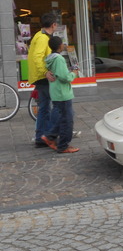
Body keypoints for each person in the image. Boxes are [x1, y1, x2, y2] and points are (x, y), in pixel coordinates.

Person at [41, 36, 80, 153]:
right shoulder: (59, 59)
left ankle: (50, 136)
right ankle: (63, 146)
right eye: (63, 44)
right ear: (59, 46)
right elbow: (64, 77)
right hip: (62, 93)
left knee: (62, 118)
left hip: (56, 93)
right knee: (67, 121)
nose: (64, 45)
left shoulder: (51, 58)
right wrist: (74, 73)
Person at [27, 12, 59, 148]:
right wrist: (45, 72)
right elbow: (37, 57)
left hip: (40, 77)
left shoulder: (39, 35)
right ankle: (50, 135)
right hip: (43, 78)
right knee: (58, 107)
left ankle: (41, 137)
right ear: (53, 25)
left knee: (44, 108)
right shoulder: (43, 38)